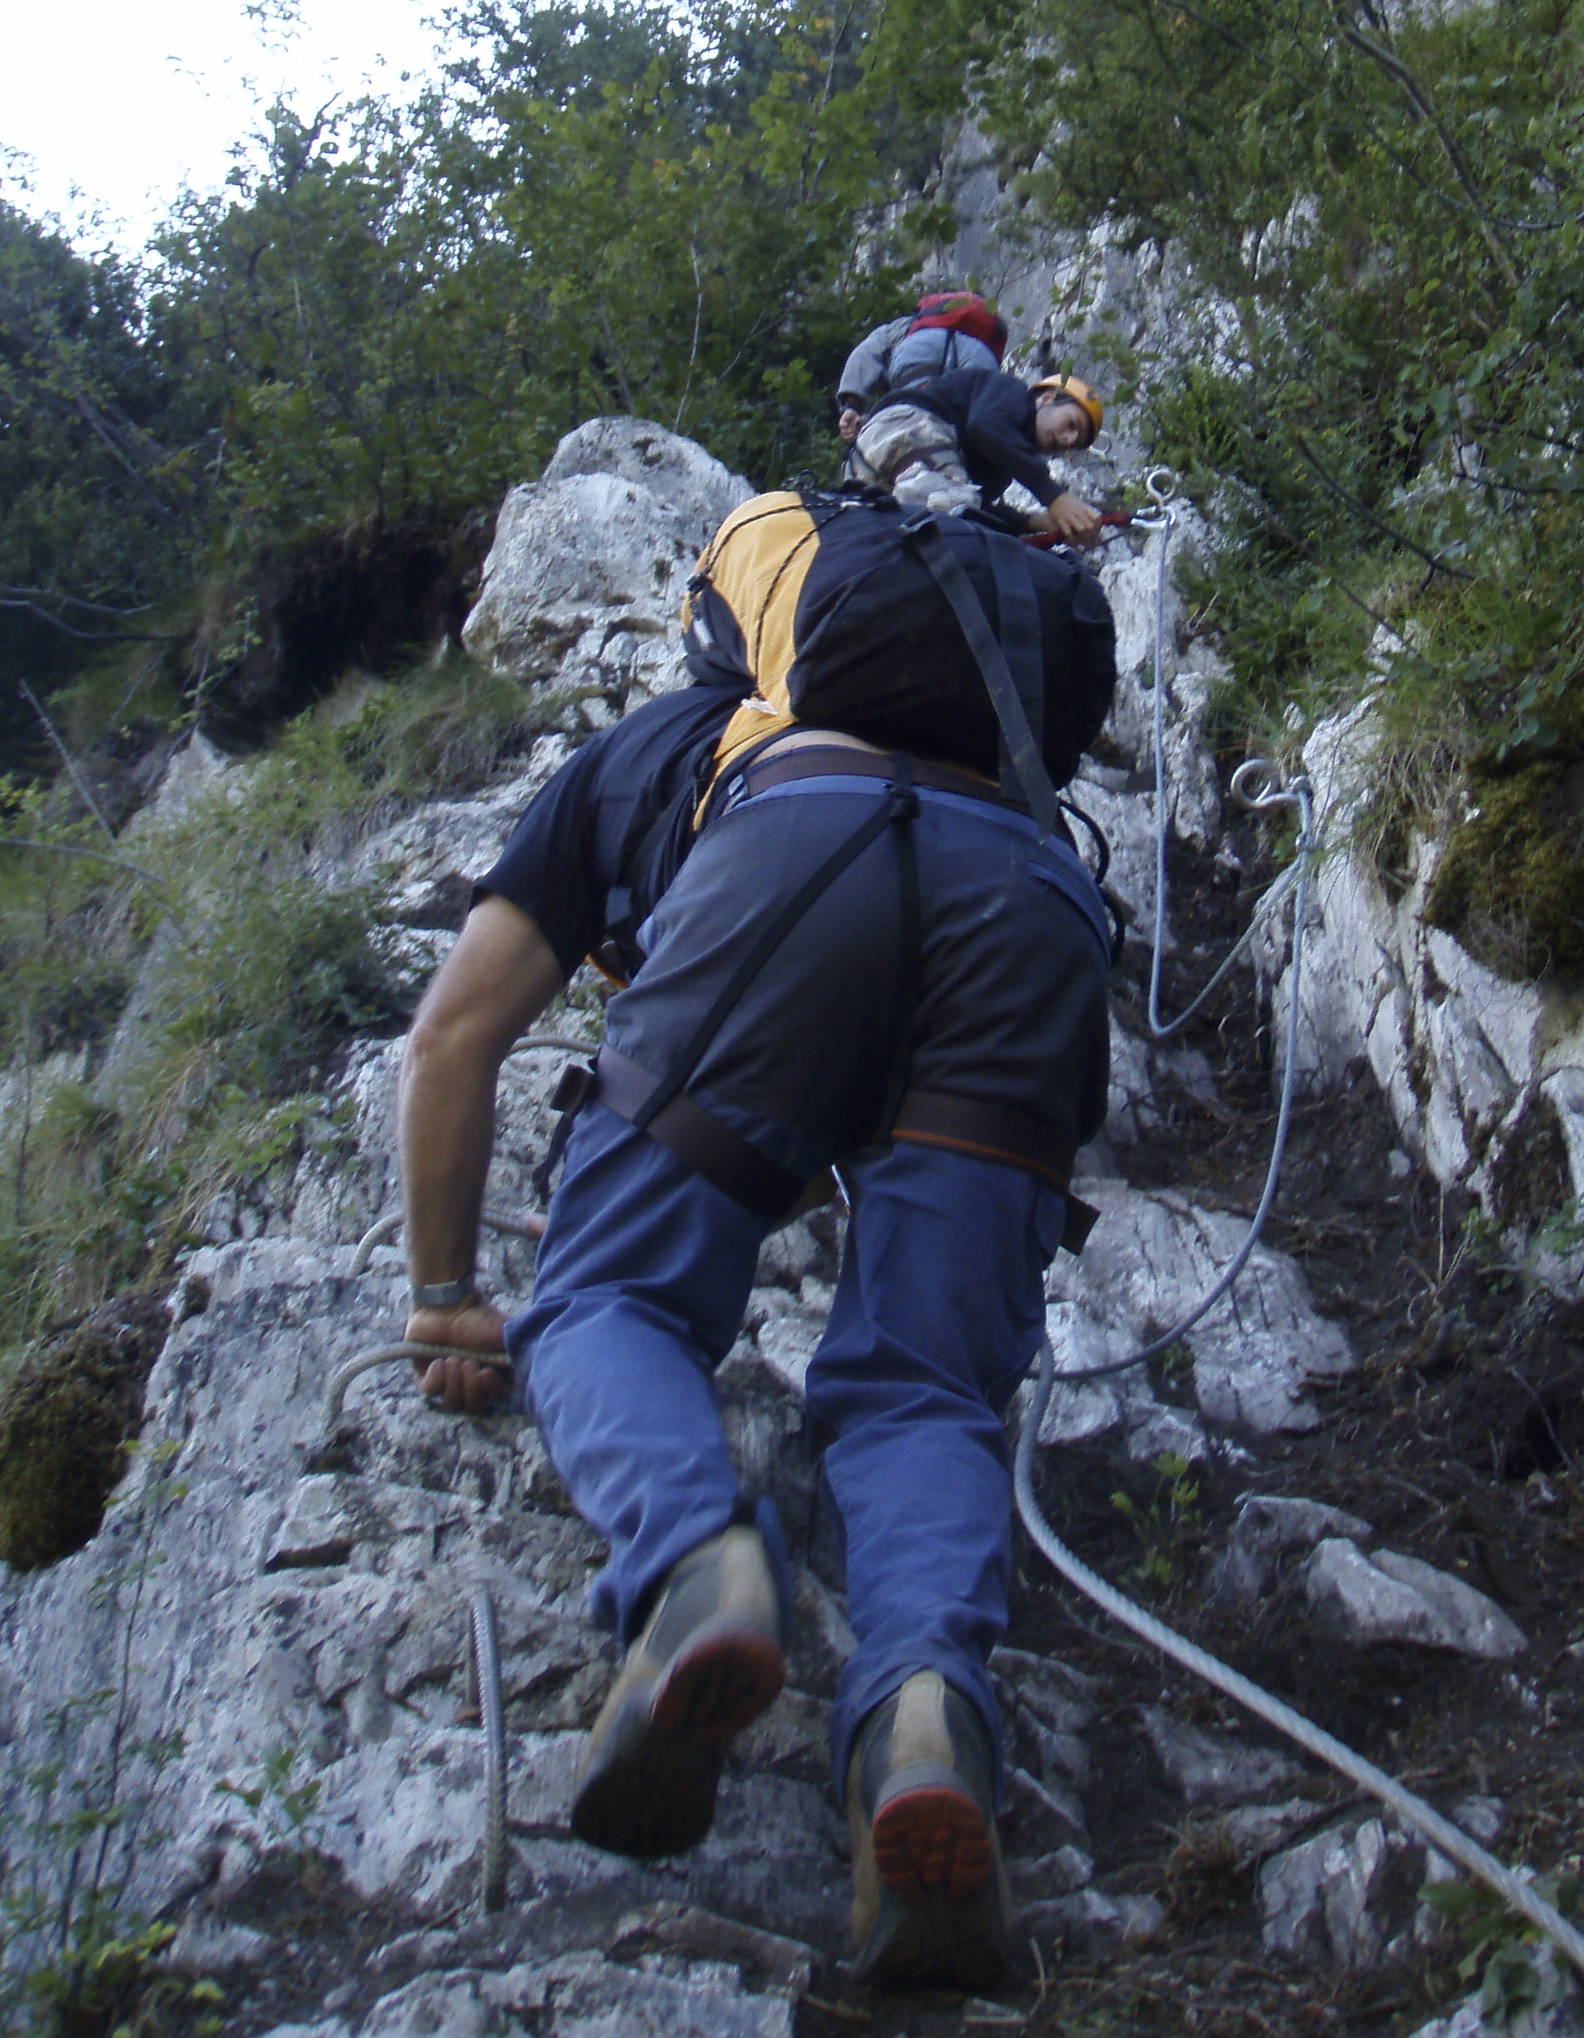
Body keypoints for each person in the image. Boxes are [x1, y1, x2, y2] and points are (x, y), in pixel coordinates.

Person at [396, 484, 1118, 1988]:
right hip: (1032, 895)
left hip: (791, 867)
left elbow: (455, 1037)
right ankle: (922, 1714)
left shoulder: (658, 750)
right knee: (927, 1385)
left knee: (608, 1297)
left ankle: (700, 1569)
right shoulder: (997, 743)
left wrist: (448, 1296)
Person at [853, 363, 1105, 545]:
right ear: (1046, 398)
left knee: (954, 522)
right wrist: (1054, 497)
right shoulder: (1013, 394)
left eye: (1073, 444)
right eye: (1071, 425)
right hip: (907, 427)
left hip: (871, 456)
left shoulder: (1002, 463)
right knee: (954, 533)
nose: (1068, 440)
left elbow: (977, 508)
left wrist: (1034, 522)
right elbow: (984, 424)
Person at [833, 288, 1007, 448]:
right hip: (979, 357)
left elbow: (864, 354)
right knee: (976, 425)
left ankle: (872, 424)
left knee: (911, 414)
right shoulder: (985, 329)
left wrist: (851, 405)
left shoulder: (911, 323)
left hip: (919, 355)